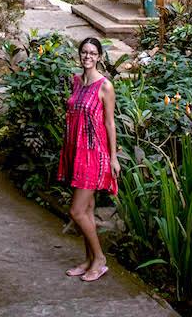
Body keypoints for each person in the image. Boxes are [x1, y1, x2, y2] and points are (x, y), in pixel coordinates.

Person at [56, 36, 119, 282]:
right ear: (79, 54)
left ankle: (100, 259)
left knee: (77, 211)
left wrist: (113, 158)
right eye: (84, 52)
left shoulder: (105, 86)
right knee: (89, 210)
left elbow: (109, 123)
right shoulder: (77, 81)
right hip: (76, 150)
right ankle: (89, 260)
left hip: (94, 154)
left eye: (93, 53)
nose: (88, 56)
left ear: (100, 57)